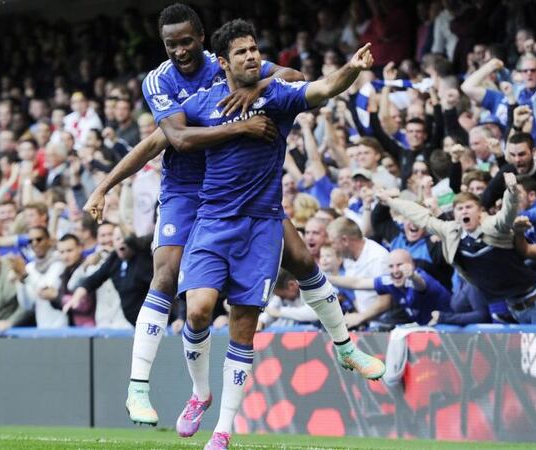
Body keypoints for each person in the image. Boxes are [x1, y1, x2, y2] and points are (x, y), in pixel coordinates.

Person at [82, 4, 382, 426]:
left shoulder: (234, 60)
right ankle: (139, 387)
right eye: (171, 45)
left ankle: (346, 347)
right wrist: (104, 185)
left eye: (187, 41)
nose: (180, 51)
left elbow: (294, 81)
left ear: (203, 41)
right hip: (188, 187)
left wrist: (255, 90)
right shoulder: (159, 81)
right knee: (167, 276)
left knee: (300, 259)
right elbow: (169, 140)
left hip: (242, 188)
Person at [174, 20, 381, 449]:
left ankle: (224, 430)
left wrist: (352, 68)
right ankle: (200, 394)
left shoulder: (275, 96)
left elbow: (321, 88)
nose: (251, 55)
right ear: (222, 62)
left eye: (254, 48)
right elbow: (173, 138)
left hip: (262, 225)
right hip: (212, 222)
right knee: (197, 312)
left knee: (243, 325)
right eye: (242, 52)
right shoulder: (202, 104)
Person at [378, 174, 536, 324]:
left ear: (480, 211)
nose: (464, 212)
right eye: (459, 209)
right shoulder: (450, 231)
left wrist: (512, 191)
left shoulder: (492, 226)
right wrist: (391, 201)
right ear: (454, 214)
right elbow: (421, 216)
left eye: (469, 207)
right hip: (509, 305)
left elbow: (507, 215)